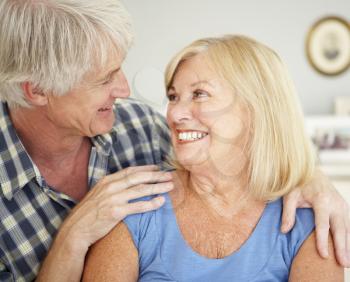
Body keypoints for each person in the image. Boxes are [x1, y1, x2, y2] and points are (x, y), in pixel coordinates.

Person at [0, 1, 348, 281]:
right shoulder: (138, 213)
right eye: (104, 78)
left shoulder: (139, 126)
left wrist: (313, 181)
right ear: (38, 91)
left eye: (198, 94)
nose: (124, 90)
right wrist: (72, 237)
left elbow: (247, 146)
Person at [82, 35, 343, 281]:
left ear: (255, 109)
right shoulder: (135, 208)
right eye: (174, 97)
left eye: (199, 94)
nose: (174, 114)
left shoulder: (310, 220)